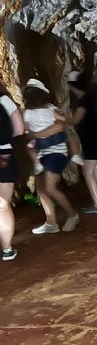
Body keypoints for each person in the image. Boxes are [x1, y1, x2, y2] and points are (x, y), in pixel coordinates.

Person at [22, 79, 79, 234]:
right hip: (41, 152)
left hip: (55, 151)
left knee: (50, 187)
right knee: (41, 188)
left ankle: (72, 215)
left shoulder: (49, 109)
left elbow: (62, 125)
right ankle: (51, 223)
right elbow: (27, 134)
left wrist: (38, 134)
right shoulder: (28, 112)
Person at [67, 71, 97, 213]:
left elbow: (76, 119)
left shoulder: (85, 100)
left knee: (87, 172)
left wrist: (59, 117)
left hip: (92, 140)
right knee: (95, 171)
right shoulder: (91, 97)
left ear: (72, 86)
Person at [0, 90, 24, 260]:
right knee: (2, 204)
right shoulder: (3, 100)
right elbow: (19, 129)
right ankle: (7, 249)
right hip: (3, 154)